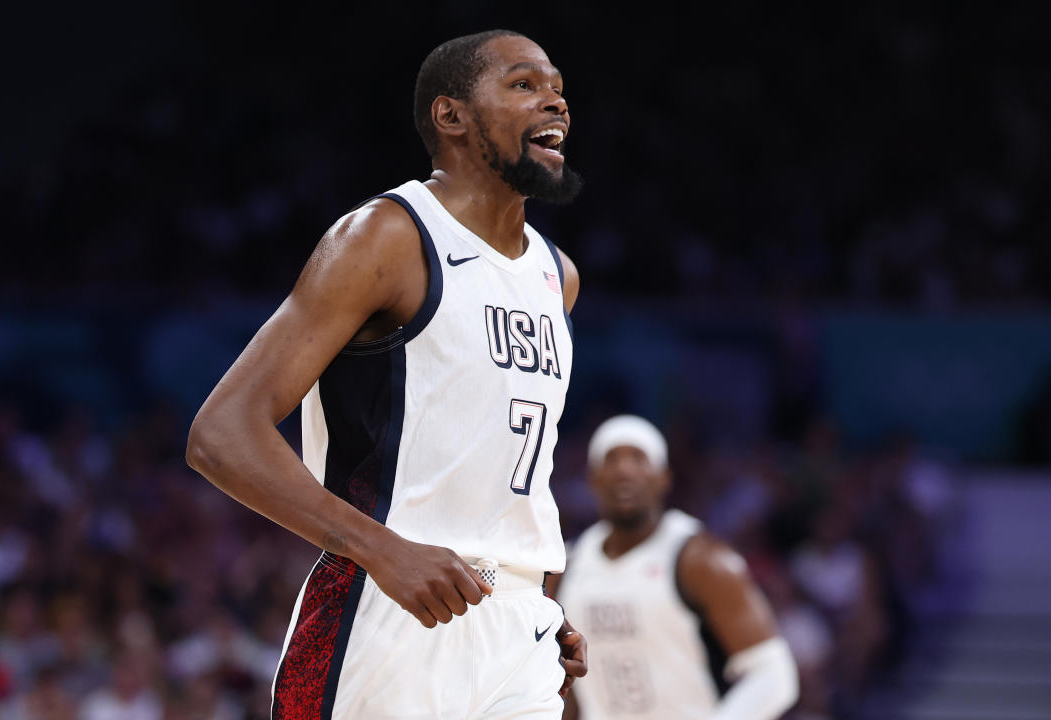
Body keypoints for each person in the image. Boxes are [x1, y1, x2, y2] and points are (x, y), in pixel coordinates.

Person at [186, 29, 587, 719]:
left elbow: (499, 467)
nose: (554, 101)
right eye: (524, 84)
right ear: (451, 116)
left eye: (557, 87)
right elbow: (221, 433)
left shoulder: (558, 276)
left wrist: (535, 591)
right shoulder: (388, 236)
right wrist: (383, 552)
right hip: (388, 616)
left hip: (517, 630)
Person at [550, 416, 798, 720]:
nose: (624, 470)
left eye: (638, 458)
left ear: (664, 477)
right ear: (592, 478)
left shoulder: (700, 559)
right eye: (611, 459)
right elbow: (565, 683)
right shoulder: (567, 565)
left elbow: (775, 675)